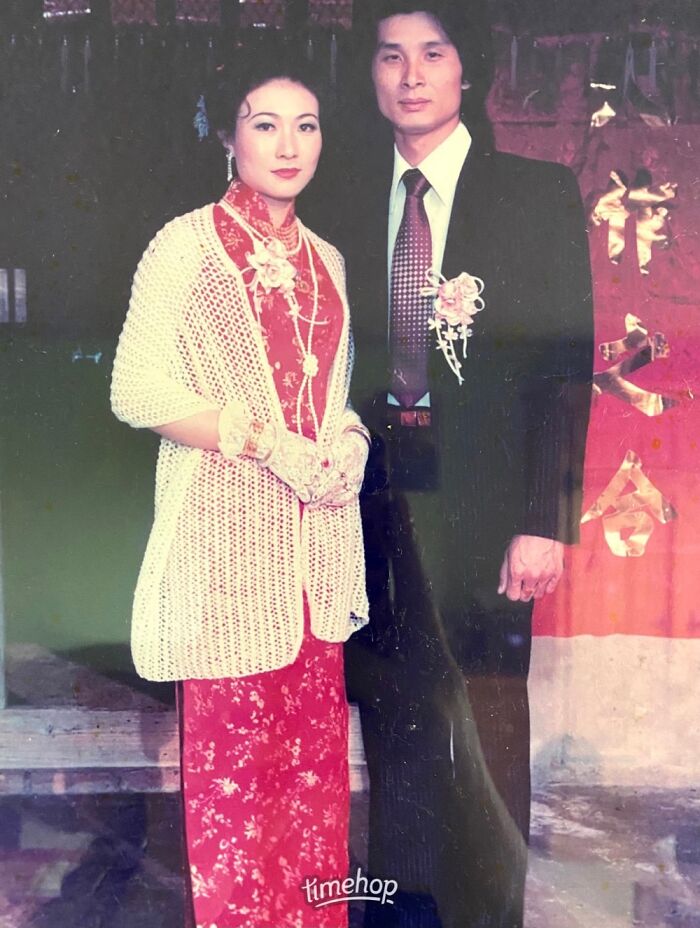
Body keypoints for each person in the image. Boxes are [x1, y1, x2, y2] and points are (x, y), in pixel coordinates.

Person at [328, 3, 595, 926]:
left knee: (485, 726)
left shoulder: (533, 194)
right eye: (390, 56)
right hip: (368, 502)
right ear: (371, 72)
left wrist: (545, 517)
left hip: (485, 506)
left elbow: (565, 368)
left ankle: (488, 915)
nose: (410, 76)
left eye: (431, 55)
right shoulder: (335, 193)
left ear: (465, 72)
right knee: (390, 720)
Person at [110, 48, 369, 928]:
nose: (289, 144)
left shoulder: (329, 260)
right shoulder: (183, 247)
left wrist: (349, 439)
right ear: (229, 136)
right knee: (235, 798)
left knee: (313, 791)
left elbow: (335, 396)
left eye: (307, 125)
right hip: (227, 554)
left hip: (317, 566)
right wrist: (260, 440)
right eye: (266, 123)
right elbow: (136, 391)